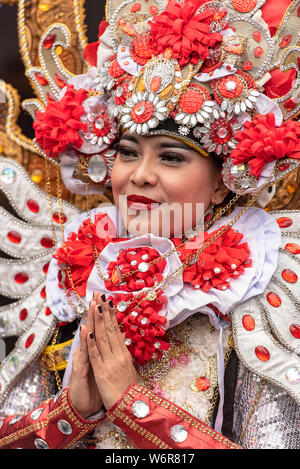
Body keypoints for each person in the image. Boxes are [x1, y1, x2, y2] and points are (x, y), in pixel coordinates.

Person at [0, 0, 300, 450]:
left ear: (222, 182)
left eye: (171, 156)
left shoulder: (262, 283)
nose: (139, 174)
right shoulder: (70, 278)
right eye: (127, 151)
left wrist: (133, 405)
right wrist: (71, 413)